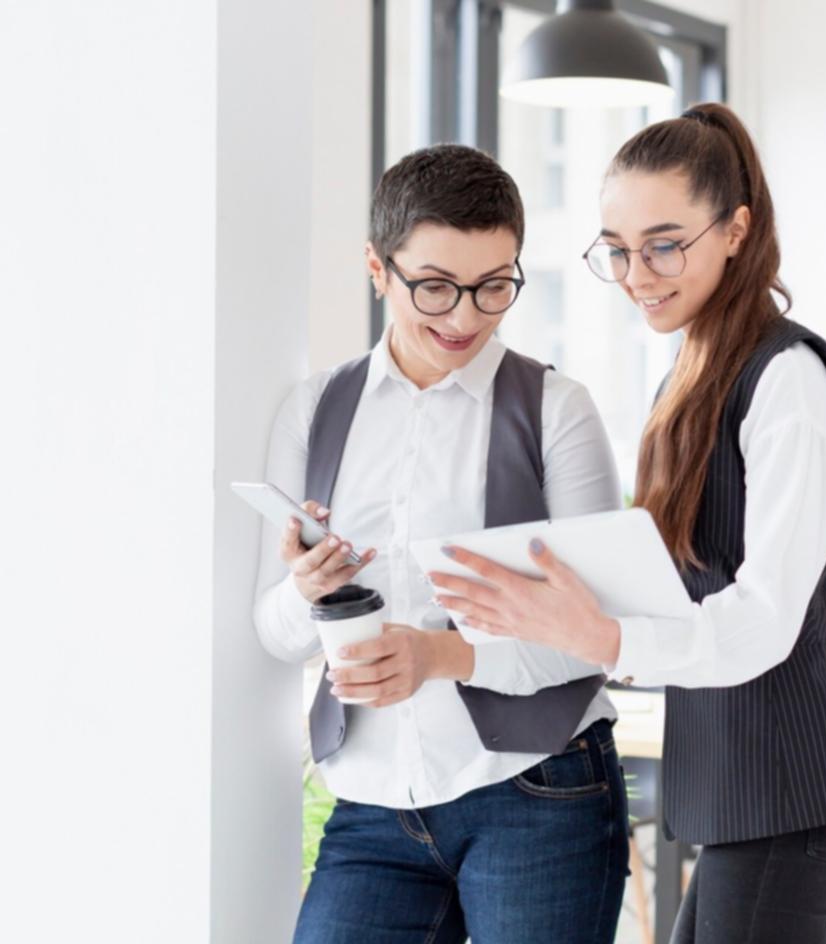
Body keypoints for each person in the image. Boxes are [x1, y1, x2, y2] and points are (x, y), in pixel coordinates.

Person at [430, 103, 826, 944]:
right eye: (616, 249)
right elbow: (679, 578)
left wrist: (601, 637)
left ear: (735, 229)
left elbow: (763, 617)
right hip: (742, 780)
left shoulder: (787, 380)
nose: (635, 273)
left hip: (790, 782)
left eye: (663, 244)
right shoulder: (691, 374)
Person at [252, 144, 629, 944]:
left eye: (495, 286)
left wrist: (441, 657)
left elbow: (597, 635)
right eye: (434, 287)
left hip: (537, 790)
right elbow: (274, 633)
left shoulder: (556, 411)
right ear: (376, 267)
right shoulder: (315, 409)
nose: (464, 317)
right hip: (372, 801)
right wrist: (306, 593)